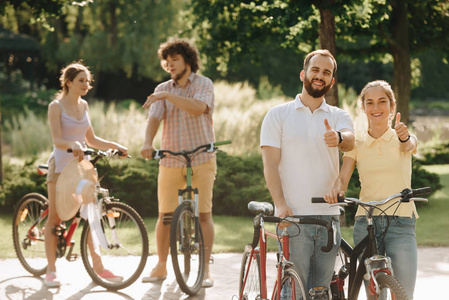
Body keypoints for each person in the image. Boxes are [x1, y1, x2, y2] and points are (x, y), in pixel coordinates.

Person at [260, 49, 355, 298]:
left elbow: (350, 142)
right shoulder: (277, 115)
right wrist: (279, 204)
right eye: (315, 70)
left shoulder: (339, 116)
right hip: (294, 219)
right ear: (303, 74)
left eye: (327, 73)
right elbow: (270, 164)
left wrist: (338, 137)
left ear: (332, 82)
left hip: (329, 219)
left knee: (321, 291)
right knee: (293, 291)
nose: (320, 76)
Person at [324, 80, 419, 299]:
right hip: (366, 224)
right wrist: (335, 192)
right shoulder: (357, 144)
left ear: (392, 106)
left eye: (382, 102)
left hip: (401, 222)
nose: (376, 108)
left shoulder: (402, 136)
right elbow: (343, 178)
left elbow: (409, 145)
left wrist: (404, 136)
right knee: (374, 294)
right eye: (370, 103)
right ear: (364, 108)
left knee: (404, 293)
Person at [140, 38, 216, 288]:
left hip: (201, 157)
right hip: (171, 158)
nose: (170, 64)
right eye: (167, 60)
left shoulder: (203, 83)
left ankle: (204, 269)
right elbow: (154, 119)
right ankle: (161, 265)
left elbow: (197, 108)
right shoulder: (164, 87)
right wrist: (147, 143)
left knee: (204, 214)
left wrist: (165, 95)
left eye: (175, 60)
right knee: (165, 216)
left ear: (188, 61)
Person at [45, 62, 128, 287]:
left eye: (87, 81)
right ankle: (51, 271)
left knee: (92, 215)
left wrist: (114, 145)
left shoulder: (85, 106)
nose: (86, 84)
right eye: (81, 80)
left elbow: (90, 139)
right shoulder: (56, 106)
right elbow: (57, 140)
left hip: (83, 168)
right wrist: (72, 144)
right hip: (61, 168)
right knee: (55, 218)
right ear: (69, 82)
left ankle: (99, 268)